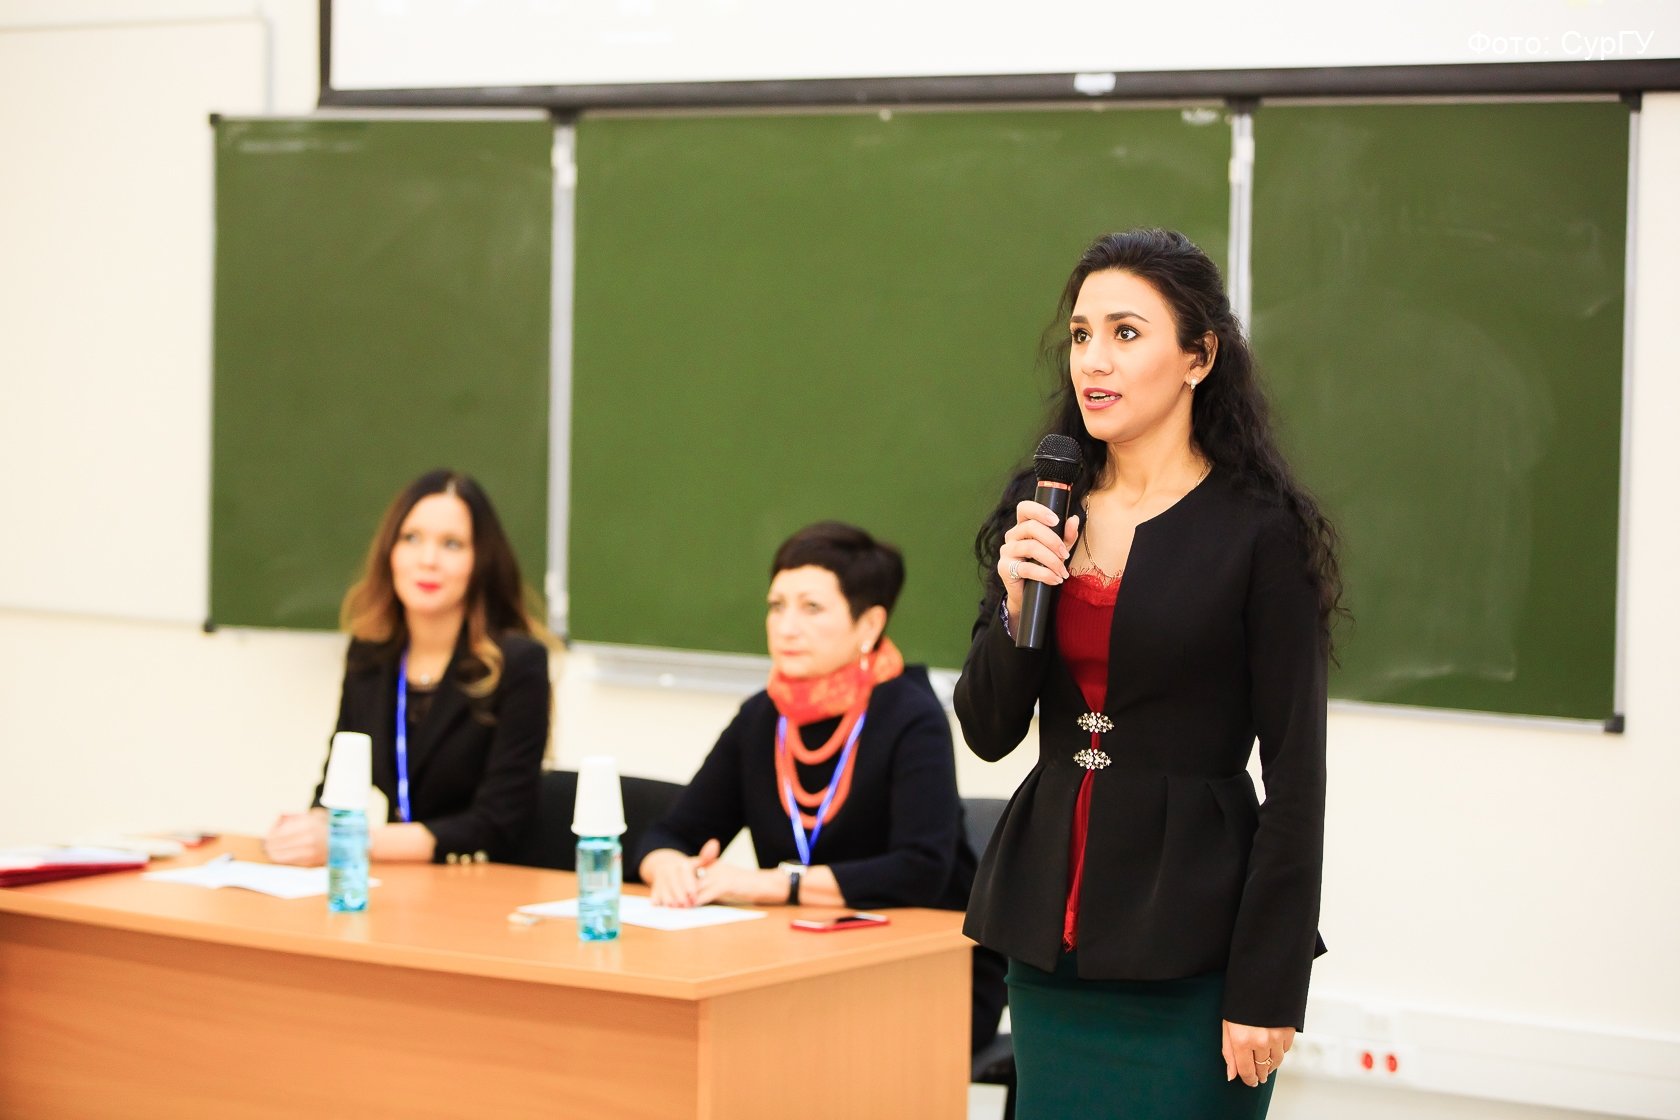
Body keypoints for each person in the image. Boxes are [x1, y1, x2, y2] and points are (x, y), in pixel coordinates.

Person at [957, 229, 1341, 1118]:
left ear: (1199, 357)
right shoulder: (1042, 508)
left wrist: (1269, 986)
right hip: (1049, 938)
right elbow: (987, 729)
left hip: (1196, 944)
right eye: (1081, 334)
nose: (1093, 359)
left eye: (1125, 333)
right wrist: (1016, 601)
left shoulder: (1260, 532)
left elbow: (1297, 777)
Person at [635, 521, 1007, 1055]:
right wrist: (668, 866)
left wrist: (775, 885)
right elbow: (669, 833)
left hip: (929, 969)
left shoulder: (911, 715)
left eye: (811, 608)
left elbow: (920, 869)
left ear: (869, 623)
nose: (786, 627)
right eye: (776, 606)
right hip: (798, 959)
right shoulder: (763, 718)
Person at [264, 469, 552, 866]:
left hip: (482, 878)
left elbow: (496, 824)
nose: (427, 560)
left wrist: (354, 842)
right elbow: (336, 785)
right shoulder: (370, 656)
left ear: (481, 561)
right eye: (412, 539)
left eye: (451, 544)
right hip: (399, 876)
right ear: (390, 552)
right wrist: (308, 828)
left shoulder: (518, 664)